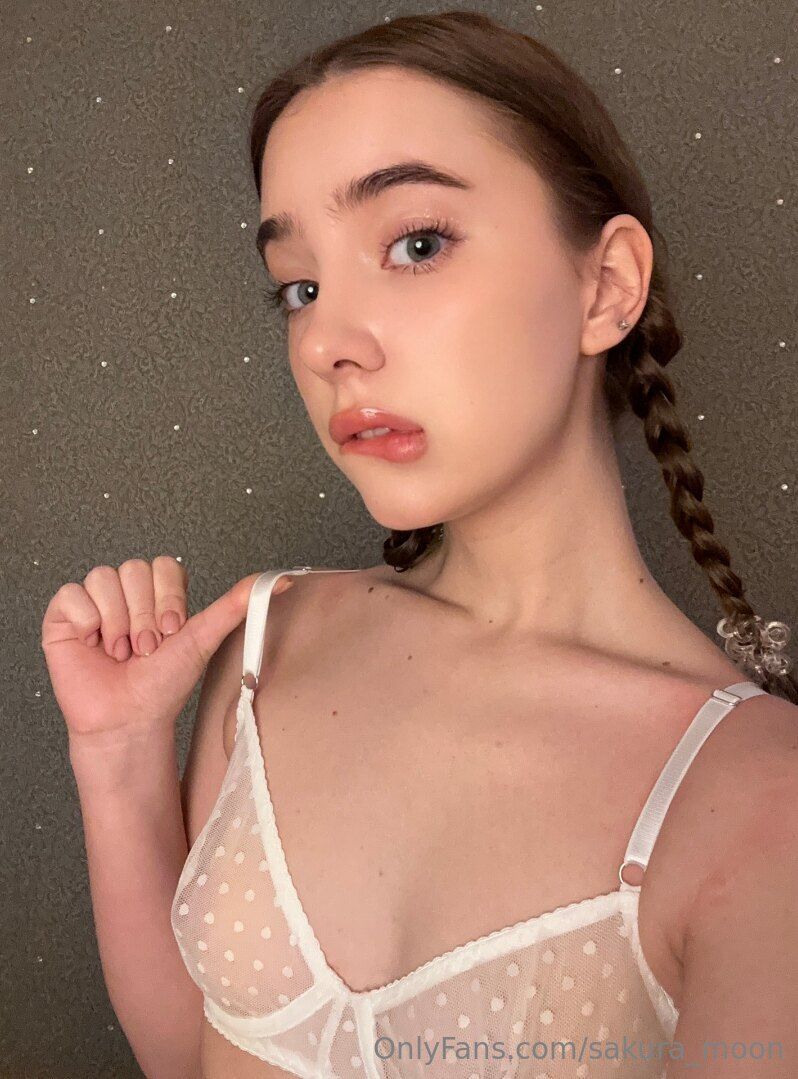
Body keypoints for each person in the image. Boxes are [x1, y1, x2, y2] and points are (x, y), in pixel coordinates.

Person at [42, 11, 798, 1079]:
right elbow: (193, 1054)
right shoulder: (267, 643)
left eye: (417, 244)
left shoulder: (759, 804)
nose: (327, 341)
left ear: (606, 286)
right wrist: (118, 758)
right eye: (300, 286)